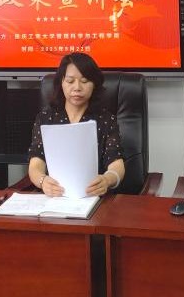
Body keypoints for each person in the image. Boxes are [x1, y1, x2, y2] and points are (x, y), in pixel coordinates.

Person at [27, 52, 125, 197]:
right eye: (70, 81)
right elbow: (35, 163)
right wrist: (42, 181)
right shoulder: (46, 118)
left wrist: (107, 180)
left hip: (94, 197)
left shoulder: (106, 120)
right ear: (61, 83)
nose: (77, 87)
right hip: (55, 198)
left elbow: (117, 164)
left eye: (84, 81)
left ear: (94, 85)